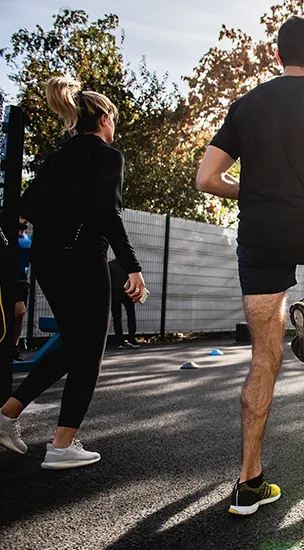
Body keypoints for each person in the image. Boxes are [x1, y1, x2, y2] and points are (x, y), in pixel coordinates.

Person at [195, 15, 304, 516]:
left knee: (263, 360)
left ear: (277, 56)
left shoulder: (245, 106)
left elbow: (207, 178)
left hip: (260, 238)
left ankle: (249, 482)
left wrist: (250, 192)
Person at [0, 76, 146, 469]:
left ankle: (7, 414)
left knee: (73, 345)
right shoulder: (107, 156)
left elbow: (23, 207)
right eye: (112, 119)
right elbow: (107, 212)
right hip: (83, 260)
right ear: (102, 119)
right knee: (89, 354)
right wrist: (132, 266)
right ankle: (62, 445)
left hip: (48, 262)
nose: (113, 128)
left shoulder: (59, 157)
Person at [13, 218, 32, 362]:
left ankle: (13, 348)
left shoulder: (29, 239)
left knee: (19, 316)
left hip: (22, 282)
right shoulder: (7, 238)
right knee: (17, 312)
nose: (24, 220)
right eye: (21, 217)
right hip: (8, 282)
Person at [109, 258, 139, 349]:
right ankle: (131, 339)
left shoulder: (110, 265)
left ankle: (120, 342)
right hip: (127, 293)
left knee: (117, 318)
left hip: (114, 293)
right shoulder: (128, 264)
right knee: (131, 315)